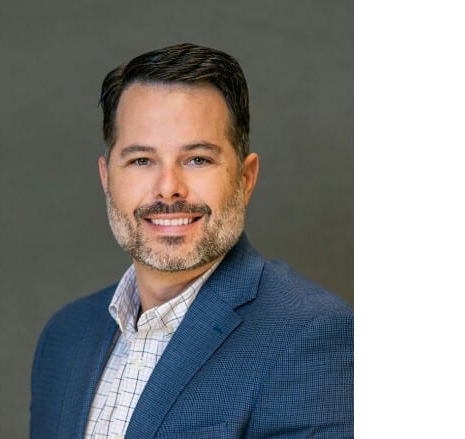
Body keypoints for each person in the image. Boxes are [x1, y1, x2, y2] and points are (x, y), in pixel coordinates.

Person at [30, 43, 353, 439]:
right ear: (106, 178)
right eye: (141, 160)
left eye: (197, 159)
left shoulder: (311, 336)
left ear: (245, 178)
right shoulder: (64, 337)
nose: (168, 190)